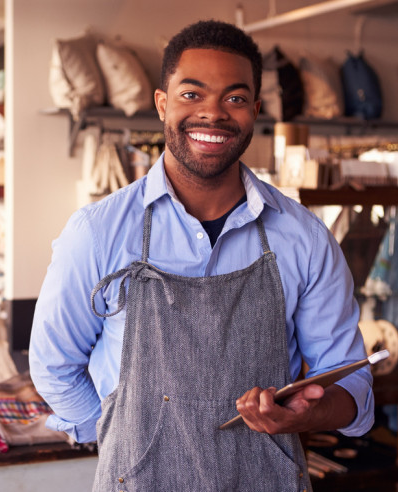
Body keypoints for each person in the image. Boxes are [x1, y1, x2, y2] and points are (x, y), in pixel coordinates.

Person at [29, 19, 374, 490]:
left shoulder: (305, 238)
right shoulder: (97, 233)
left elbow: (351, 385)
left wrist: (308, 414)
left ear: (255, 110)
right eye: (192, 94)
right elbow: (54, 364)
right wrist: (121, 437)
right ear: (162, 103)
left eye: (235, 98)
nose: (213, 113)